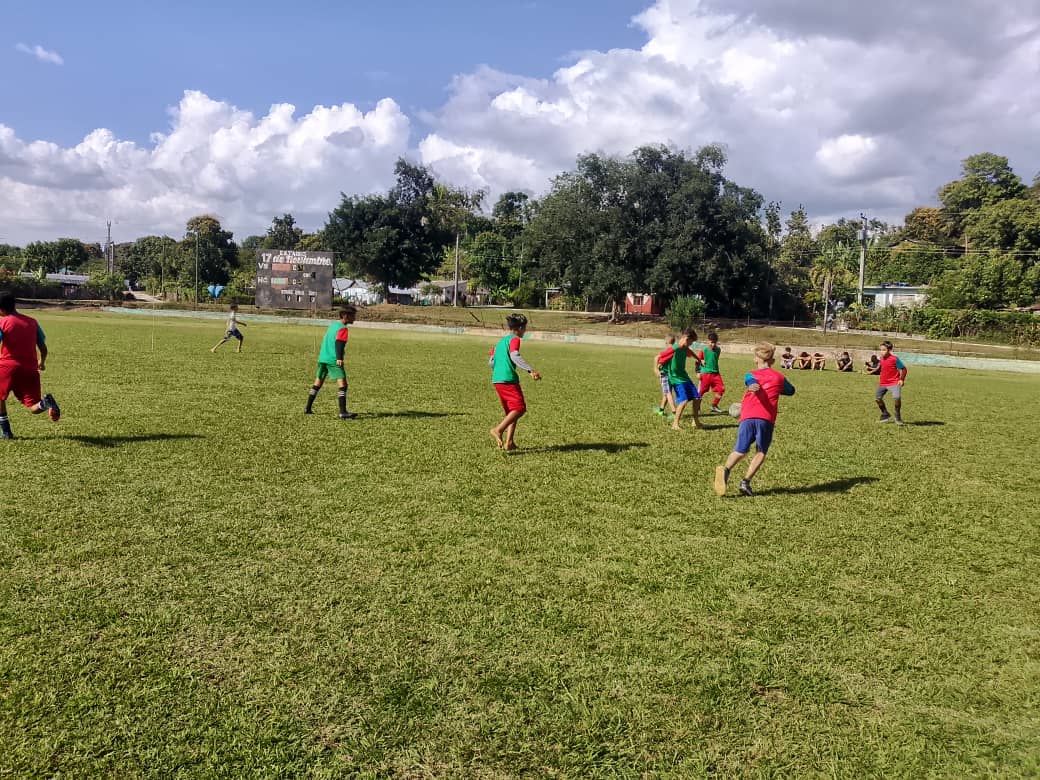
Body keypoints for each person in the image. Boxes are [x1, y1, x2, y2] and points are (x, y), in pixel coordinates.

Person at [713, 342, 794, 497]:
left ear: (757, 359)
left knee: (740, 450)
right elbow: (791, 391)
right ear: (771, 361)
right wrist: (776, 388)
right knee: (761, 451)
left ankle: (726, 470)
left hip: (747, 416)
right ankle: (745, 482)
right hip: (766, 419)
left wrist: (753, 386)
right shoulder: (779, 377)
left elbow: (750, 382)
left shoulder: (750, 374)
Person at [0, 292, 61, 439]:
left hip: (8, 367)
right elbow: (43, 348)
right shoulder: (32, 322)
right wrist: (42, 362)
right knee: (34, 406)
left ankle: (6, 432)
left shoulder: (2, 323)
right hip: (30, 369)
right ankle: (45, 403)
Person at [489, 313, 541, 450]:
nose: (525, 331)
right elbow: (514, 355)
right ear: (519, 328)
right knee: (519, 408)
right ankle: (498, 430)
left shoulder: (500, 342)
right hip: (508, 379)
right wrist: (530, 370)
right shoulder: (515, 339)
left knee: (512, 412)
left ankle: (509, 442)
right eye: (525, 328)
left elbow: (491, 362)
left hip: (497, 379)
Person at [305, 305, 357, 419]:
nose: (355, 318)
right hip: (333, 359)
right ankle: (343, 412)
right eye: (353, 316)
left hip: (323, 358)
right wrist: (339, 358)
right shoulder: (343, 328)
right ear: (345, 316)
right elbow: (339, 343)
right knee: (343, 384)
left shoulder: (333, 326)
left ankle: (307, 408)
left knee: (318, 382)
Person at [657, 328, 703, 430]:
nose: (691, 344)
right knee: (683, 401)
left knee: (697, 398)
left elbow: (690, 352)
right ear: (686, 338)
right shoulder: (675, 348)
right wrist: (657, 368)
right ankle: (675, 424)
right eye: (691, 342)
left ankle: (696, 422)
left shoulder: (684, 347)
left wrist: (699, 360)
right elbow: (658, 356)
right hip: (676, 379)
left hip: (684, 377)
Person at [875, 340, 908, 425]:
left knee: (897, 398)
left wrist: (901, 379)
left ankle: (897, 416)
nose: (882, 352)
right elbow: (882, 369)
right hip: (883, 383)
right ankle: (885, 414)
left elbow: (903, 369)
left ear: (889, 350)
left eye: (884, 350)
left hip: (894, 382)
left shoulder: (894, 359)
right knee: (878, 399)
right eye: (881, 350)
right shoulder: (881, 359)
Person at [698, 331, 726, 413]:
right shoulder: (704, 350)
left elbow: (715, 360)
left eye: (714, 342)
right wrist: (700, 364)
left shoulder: (718, 350)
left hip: (716, 374)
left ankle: (714, 405)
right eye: (711, 342)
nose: (713, 344)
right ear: (708, 341)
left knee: (721, 389)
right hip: (706, 374)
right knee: (702, 391)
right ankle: (697, 407)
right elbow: (698, 360)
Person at [654, 335, 676, 417]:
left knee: (667, 393)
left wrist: (658, 367)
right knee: (666, 394)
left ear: (666, 342)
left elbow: (660, 361)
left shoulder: (668, 351)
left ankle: (674, 412)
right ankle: (661, 411)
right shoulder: (674, 351)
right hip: (671, 375)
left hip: (664, 375)